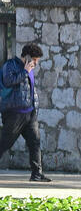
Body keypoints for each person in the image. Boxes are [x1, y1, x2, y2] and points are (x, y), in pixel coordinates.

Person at [0, 43, 48, 182]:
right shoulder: (11, 65)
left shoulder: (29, 69)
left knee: (35, 143)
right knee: (4, 144)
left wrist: (35, 107)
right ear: (27, 57)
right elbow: (8, 81)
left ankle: (37, 174)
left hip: (29, 113)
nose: (36, 63)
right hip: (14, 114)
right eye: (35, 59)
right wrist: (25, 71)